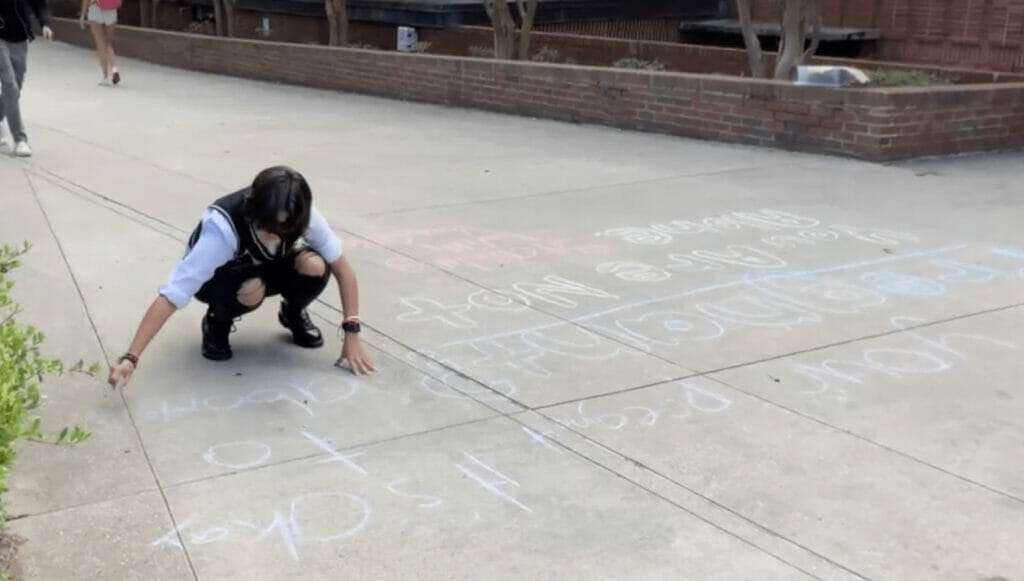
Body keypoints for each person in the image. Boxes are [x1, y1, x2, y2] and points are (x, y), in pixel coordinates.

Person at [107, 166, 376, 389]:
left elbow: (344, 271)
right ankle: (217, 322)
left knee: (315, 265)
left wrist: (352, 333)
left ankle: (293, 313)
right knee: (252, 289)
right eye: (269, 227)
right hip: (221, 281)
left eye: (285, 229)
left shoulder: (302, 214)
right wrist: (131, 357)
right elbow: (173, 295)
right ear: (254, 211)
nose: (276, 235)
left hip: (267, 267)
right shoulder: (222, 228)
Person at [0, 0, 53, 157]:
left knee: (15, 87)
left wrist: (45, 23)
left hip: (20, 37)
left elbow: (40, 4)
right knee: (10, 85)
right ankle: (20, 139)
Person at [79, 0, 121, 86]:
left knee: (101, 44)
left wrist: (83, 15)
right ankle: (114, 69)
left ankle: (105, 77)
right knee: (109, 43)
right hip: (111, 10)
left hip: (95, 9)